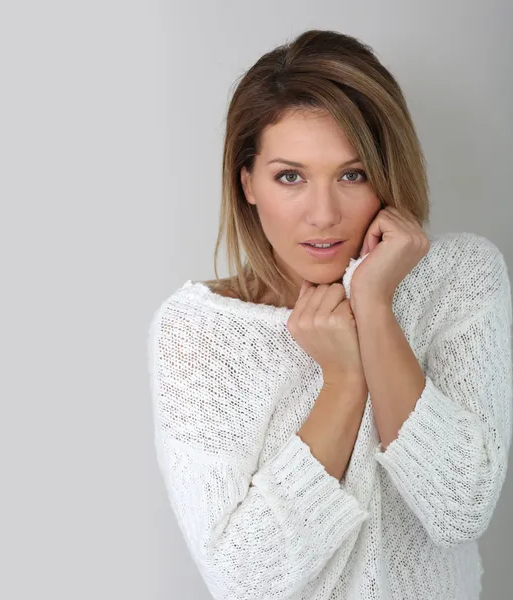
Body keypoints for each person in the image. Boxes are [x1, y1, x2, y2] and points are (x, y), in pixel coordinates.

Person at [146, 29, 513, 599]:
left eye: (352, 174)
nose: (323, 214)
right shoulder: (200, 331)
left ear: (388, 174)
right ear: (247, 183)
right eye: (290, 176)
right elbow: (246, 580)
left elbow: (458, 510)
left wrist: (376, 308)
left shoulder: (461, 280)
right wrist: (343, 382)